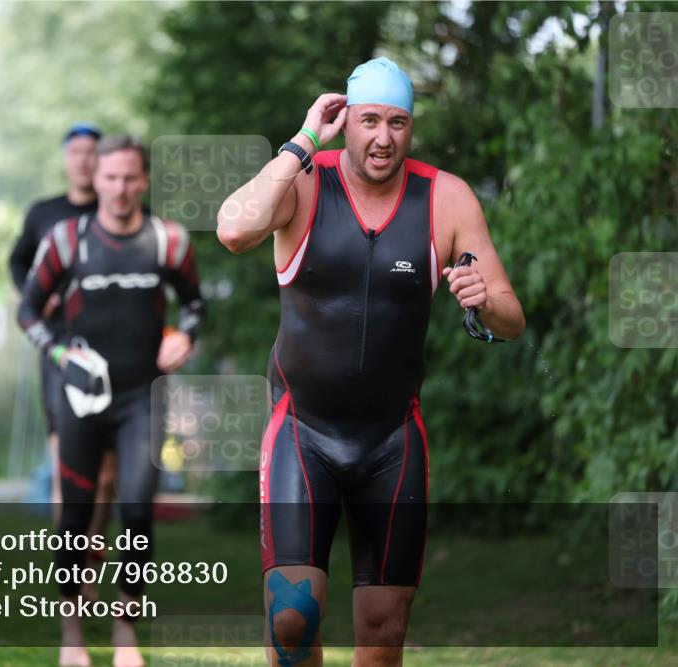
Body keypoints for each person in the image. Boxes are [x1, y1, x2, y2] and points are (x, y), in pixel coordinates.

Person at [217, 58, 525, 667]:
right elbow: (235, 230)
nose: (383, 138)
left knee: (384, 634)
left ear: (412, 128)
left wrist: (484, 302)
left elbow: (512, 319)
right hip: (302, 433)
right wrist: (304, 140)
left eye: (398, 122)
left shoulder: (445, 197)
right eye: (370, 122)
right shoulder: (305, 181)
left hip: (392, 441)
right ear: (346, 121)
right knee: (292, 617)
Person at [18, 135, 205, 667]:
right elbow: (28, 313)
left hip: (141, 397)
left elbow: (194, 305)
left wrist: (184, 336)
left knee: (138, 511)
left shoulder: (168, 241)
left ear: (144, 181)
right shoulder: (66, 239)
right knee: (75, 516)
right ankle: (71, 632)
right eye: (111, 177)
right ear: (94, 179)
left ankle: (126, 628)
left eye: (130, 178)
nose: (120, 188)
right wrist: (59, 359)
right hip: (80, 399)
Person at [9, 123, 116, 583]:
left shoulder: (119, 210)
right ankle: (71, 573)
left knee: (107, 476)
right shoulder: (44, 214)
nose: (84, 159)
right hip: (58, 348)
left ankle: (92, 546)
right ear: (66, 158)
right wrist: (38, 295)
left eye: (93, 152)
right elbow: (17, 263)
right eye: (76, 151)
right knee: (65, 466)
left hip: (113, 349)